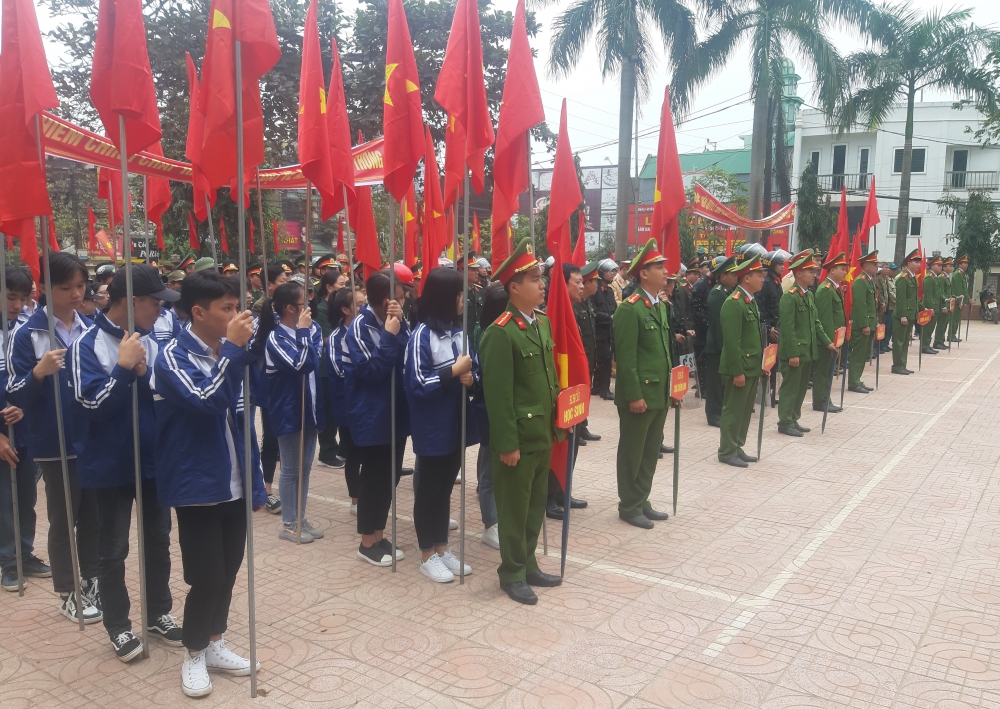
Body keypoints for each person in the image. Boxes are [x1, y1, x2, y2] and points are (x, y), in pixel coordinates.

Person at [152, 270, 264, 698]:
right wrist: (234, 351)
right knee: (207, 576)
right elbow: (208, 401)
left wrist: (254, 484)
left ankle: (215, 642)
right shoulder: (173, 358)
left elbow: (241, 419)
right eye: (226, 309)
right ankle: (194, 652)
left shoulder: (227, 351)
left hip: (233, 481)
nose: (235, 316)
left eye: (237, 307)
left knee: (230, 569)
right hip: (198, 484)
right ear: (198, 312)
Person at [70, 265, 183, 661]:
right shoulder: (87, 344)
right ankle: (118, 626)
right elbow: (93, 406)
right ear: (133, 301)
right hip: (110, 467)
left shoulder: (153, 340)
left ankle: (158, 612)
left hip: (154, 463)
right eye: (155, 302)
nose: (160, 310)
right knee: (113, 548)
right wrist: (123, 369)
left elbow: (167, 393)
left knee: (158, 539)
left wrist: (144, 369)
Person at [7, 252, 100, 623]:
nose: (77, 294)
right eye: (67, 287)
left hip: (92, 438)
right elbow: (13, 391)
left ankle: (91, 582)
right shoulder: (28, 334)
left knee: (94, 517)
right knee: (64, 517)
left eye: (81, 285)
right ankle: (67, 590)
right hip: (54, 440)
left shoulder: (92, 326)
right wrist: (39, 374)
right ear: (43, 288)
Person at [479, 239, 562, 605]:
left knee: (534, 505)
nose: (541, 284)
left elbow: (549, 379)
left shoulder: (540, 324)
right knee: (513, 508)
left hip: (542, 432)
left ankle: (528, 563)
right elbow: (498, 398)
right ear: (514, 287)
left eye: (540, 277)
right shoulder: (500, 332)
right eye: (533, 278)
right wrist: (507, 443)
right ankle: (511, 573)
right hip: (518, 439)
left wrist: (560, 421)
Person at [404, 267, 477, 583]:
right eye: (459, 295)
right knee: (430, 491)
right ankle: (426, 555)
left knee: (446, 487)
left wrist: (472, 377)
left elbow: (475, 367)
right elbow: (416, 383)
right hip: (432, 427)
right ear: (444, 298)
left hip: (456, 424)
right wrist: (451, 372)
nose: (464, 300)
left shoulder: (459, 333)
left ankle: (442, 548)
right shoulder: (421, 335)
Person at [345, 270, 410, 567]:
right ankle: (366, 541)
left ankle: (379, 534)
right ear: (385, 299)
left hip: (396, 411)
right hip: (372, 414)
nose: (404, 298)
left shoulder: (397, 322)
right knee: (373, 478)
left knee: (390, 476)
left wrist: (399, 328)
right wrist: (389, 335)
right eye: (399, 294)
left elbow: (408, 356)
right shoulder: (359, 328)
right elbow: (372, 372)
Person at [612, 239, 673, 529]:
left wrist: (673, 388)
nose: (665, 271)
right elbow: (626, 360)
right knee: (632, 453)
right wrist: (634, 395)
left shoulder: (658, 306)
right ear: (644, 273)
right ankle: (629, 504)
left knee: (651, 451)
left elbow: (663, 350)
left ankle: (641, 498)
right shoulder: (630, 309)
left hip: (659, 393)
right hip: (639, 396)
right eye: (659, 267)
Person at [258, 282, 325, 543]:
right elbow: (303, 363)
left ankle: (300, 518)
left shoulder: (313, 329)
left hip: (310, 408)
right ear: (289, 308)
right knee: (290, 468)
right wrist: (304, 334)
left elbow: (312, 356)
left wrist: (306, 334)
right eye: (303, 304)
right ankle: (288, 523)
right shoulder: (276, 338)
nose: (308, 307)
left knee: (305, 468)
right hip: (288, 411)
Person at [0, 267, 47, 593]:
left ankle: (25, 553)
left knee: (26, 495)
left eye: (22, 297)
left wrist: (25, 406)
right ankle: (8, 561)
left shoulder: (24, 333)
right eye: (10, 297)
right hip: (2, 434)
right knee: (5, 499)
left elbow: (33, 380)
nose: (17, 304)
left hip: (26, 428)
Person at [545, 263, 590, 521]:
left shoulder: (577, 309)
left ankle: (563, 491)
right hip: (559, 393)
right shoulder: (552, 314)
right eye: (577, 281)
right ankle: (548, 497)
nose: (582, 286)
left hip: (574, 393)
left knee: (571, 446)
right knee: (558, 445)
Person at [776, 252, 835, 436]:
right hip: (795, 353)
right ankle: (785, 422)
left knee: (801, 388)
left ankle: (794, 418)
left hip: (808, 351)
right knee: (791, 387)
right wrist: (793, 353)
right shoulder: (790, 297)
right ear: (799, 273)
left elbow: (816, 323)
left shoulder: (808, 296)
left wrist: (827, 343)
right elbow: (788, 328)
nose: (814, 275)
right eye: (810, 271)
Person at [717, 255, 765, 468]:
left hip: (752, 366)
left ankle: (737, 446)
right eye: (758, 275)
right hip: (739, 367)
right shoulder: (733, 303)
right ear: (746, 278)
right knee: (733, 410)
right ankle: (727, 450)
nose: (762, 279)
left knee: (745, 411)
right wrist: (737, 372)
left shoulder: (750, 301)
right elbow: (732, 343)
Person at [470, 282, 507, 551]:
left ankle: (497, 518)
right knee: (489, 473)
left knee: (494, 467)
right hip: (489, 408)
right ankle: (489, 524)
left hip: (500, 409)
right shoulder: (487, 334)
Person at [326, 287, 366, 515]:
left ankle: (367, 495)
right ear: (345, 309)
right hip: (348, 404)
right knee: (353, 454)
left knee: (368, 452)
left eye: (364, 303)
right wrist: (368, 371)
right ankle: (355, 500)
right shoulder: (336, 338)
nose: (364, 308)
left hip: (367, 403)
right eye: (359, 304)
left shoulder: (367, 331)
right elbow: (341, 371)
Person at [315, 269, 347, 469]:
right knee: (327, 410)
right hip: (326, 367)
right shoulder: (321, 309)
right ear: (329, 287)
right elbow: (327, 339)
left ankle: (343, 450)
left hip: (341, 363)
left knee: (339, 409)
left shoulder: (340, 306)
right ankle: (327, 452)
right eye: (342, 284)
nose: (345, 287)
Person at [703, 256, 736, 428]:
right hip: (717, 347)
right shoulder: (717, 295)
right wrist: (726, 348)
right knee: (715, 383)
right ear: (722, 276)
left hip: (722, 346)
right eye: (732, 273)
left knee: (722, 382)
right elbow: (718, 326)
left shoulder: (727, 292)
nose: (735, 276)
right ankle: (713, 414)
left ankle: (720, 411)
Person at [813, 252, 848, 413]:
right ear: (832, 270)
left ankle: (826, 398)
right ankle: (821, 401)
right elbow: (825, 319)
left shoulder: (834, 288)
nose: (845, 272)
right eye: (842, 269)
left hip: (834, 338)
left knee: (828, 371)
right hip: (826, 340)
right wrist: (829, 341)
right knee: (823, 371)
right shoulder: (825, 290)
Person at [575, 262, 601, 442]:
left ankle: (582, 426)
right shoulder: (575, 307)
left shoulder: (587, 304)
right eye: (595, 281)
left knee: (586, 391)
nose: (598, 285)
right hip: (579, 358)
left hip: (589, 357)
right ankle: (576, 428)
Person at [848, 251, 879, 393]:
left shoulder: (868, 281)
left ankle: (857, 379)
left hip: (870, 323)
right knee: (858, 355)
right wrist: (864, 325)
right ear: (866, 266)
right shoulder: (860, 282)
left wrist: (875, 322)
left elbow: (872, 305)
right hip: (862, 326)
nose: (877, 266)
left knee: (864, 354)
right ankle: (853, 382)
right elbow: (860, 306)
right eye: (874, 264)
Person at [591, 259, 618, 401]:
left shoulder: (609, 291)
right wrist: (609, 317)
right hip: (599, 331)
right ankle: (604, 389)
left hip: (609, 331)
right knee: (603, 360)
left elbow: (614, 308)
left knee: (606, 360)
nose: (613, 274)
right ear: (601, 273)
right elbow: (594, 312)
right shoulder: (595, 291)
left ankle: (597, 386)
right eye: (610, 271)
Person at [892, 250, 920, 375]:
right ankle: (897, 366)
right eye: (916, 262)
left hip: (910, 315)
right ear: (909, 263)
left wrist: (921, 310)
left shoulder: (912, 278)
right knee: (899, 342)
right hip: (901, 316)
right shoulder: (903, 278)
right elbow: (901, 299)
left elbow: (913, 298)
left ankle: (902, 364)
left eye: (919, 262)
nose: (919, 264)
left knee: (905, 342)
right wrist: (903, 315)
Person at [919, 255, 943, 355]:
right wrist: (930, 308)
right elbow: (928, 296)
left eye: (941, 265)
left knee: (931, 328)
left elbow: (937, 294)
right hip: (931, 308)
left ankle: (927, 345)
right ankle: (924, 346)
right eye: (939, 265)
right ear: (932, 266)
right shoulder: (929, 278)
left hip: (936, 307)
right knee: (927, 329)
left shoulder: (935, 278)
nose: (941, 267)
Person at [876, 262, 895, 354]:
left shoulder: (886, 279)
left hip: (887, 306)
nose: (887, 269)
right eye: (885, 268)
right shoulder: (878, 279)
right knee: (879, 325)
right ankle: (878, 346)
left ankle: (883, 344)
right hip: (881, 306)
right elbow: (879, 292)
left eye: (888, 268)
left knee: (884, 326)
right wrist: (882, 302)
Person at [950, 255, 969, 342]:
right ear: (960, 264)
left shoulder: (961, 274)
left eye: (967, 263)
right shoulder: (957, 274)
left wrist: (968, 300)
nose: (966, 265)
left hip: (960, 300)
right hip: (957, 301)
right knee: (954, 319)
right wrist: (960, 302)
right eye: (964, 263)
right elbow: (958, 290)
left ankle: (953, 334)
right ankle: (951, 335)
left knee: (957, 319)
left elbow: (964, 289)